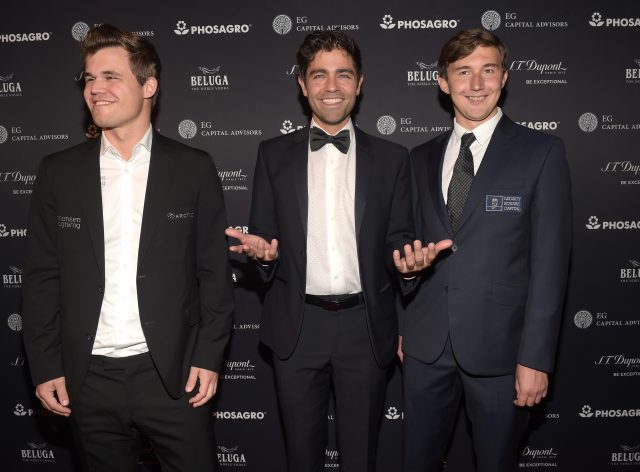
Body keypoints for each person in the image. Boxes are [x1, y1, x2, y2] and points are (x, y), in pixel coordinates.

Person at [225, 30, 446, 472]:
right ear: (302, 85)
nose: (331, 87)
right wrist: (264, 259)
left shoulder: (391, 157)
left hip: (365, 329)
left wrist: (408, 266)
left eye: (343, 75)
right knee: (301, 457)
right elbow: (266, 239)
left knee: (361, 456)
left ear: (359, 83)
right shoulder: (270, 154)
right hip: (296, 327)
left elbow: (397, 238)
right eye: (319, 75)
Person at [22, 24, 234, 471]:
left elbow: (213, 273)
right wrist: (44, 366)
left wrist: (208, 356)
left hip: (174, 375)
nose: (95, 89)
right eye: (89, 79)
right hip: (89, 378)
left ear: (148, 85)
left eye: (110, 77)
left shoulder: (193, 168)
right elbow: (42, 278)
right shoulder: (57, 172)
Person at [397, 29, 572, 472]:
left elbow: (550, 264)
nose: (476, 84)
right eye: (463, 72)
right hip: (424, 347)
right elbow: (403, 247)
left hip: (502, 352)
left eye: (487, 70)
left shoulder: (541, 152)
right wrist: (405, 300)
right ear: (442, 82)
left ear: (504, 77)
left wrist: (535, 357)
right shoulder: (417, 159)